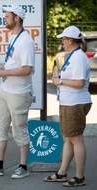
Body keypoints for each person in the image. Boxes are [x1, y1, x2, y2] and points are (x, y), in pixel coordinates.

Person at [0, 5, 35, 179]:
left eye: (8, 16)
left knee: (19, 130)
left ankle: (23, 166)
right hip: (5, 89)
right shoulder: (14, 37)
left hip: (19, 93)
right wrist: (4, 67)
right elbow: (15, 62)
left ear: (17, 18)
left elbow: (27, 69)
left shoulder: (26, 41)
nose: (5, 19)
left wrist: (4, 72)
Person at [45, 25, 92, 187]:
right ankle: (62, 173)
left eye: (64, 39)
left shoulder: (78, 57)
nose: (62, 42)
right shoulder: (74, 55)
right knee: (68, 139)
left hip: (75, 102)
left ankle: (79, 177)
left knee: (75, 139)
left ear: (70, 40)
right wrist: (60, 79)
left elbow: (79, 83)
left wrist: (61, 81)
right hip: (69, 102)